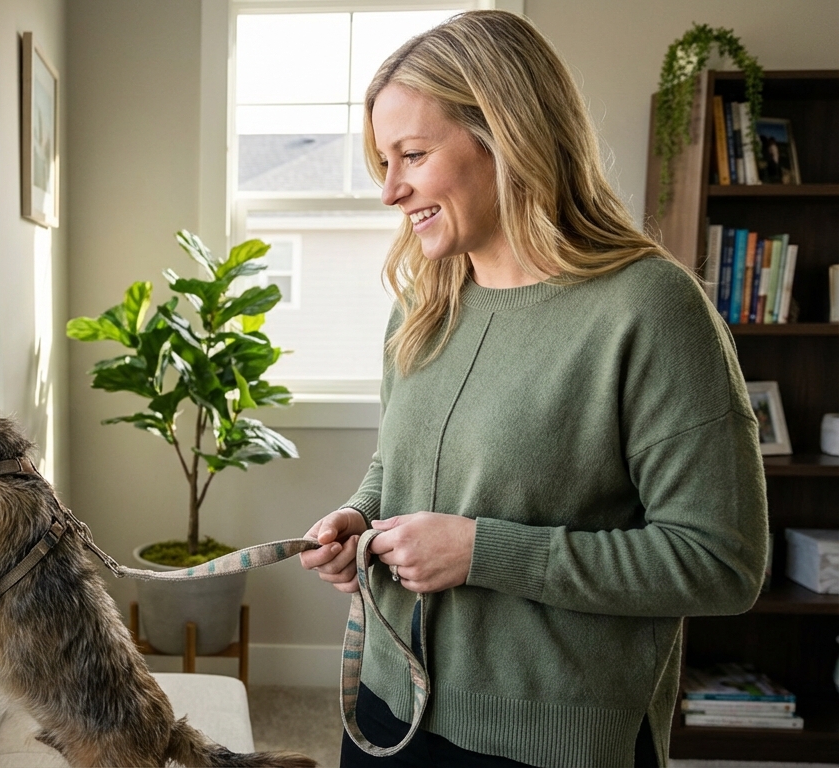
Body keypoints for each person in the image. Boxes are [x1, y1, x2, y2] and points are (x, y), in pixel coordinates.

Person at [298, 10, 768, 768]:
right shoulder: (422, 304)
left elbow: (720, 563)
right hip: (387, 709)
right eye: (383, 161)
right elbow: (402, 461)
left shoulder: (647, 310)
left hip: (549, 745)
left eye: (412, 154)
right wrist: (362, 515)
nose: (390, 191)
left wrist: (484, 552)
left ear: (506, 136)